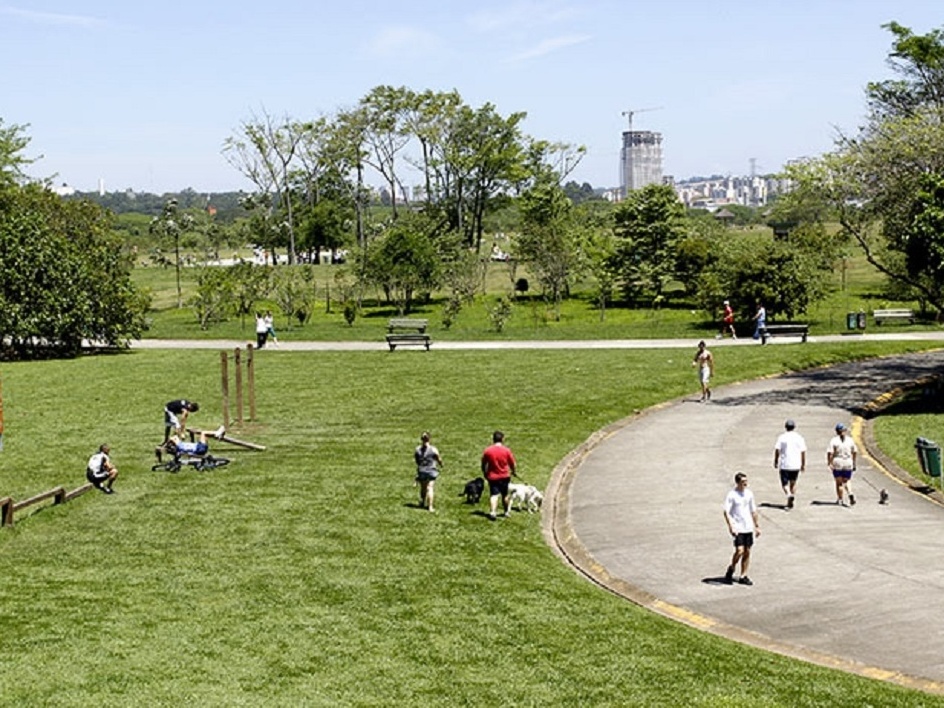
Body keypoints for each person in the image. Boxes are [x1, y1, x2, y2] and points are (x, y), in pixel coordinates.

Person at [722, 472, 760, 585]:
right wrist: (731, 527)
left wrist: (757, 526)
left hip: (748, 527)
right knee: (739, 550)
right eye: (743, 482)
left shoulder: (749, 494)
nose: (745, 484)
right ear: (737, 483)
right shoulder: (732, 495)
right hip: (738, 527)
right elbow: (726, 512)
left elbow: (753, 510)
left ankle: (743, 575)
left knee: (747, 551)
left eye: (746, 482)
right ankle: (732, 567)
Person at [481, 430, 517, 520]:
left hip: (493, 476)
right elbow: (512, 463)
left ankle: (493, 512)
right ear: (502, 439)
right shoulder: (506, 450)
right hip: (505, 476)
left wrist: (485, 472)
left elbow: (483, 463)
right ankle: (506, 512)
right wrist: (513, 471)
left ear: (493, 439)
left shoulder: (488, 451)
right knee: (505, 495)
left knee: (494, 495)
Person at [773, 419, 807, 509]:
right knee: (793, 482)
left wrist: (776, 460)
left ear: (786, 427)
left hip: (785, 464)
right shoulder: (799, 437)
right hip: (796, 464)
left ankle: (788, 494)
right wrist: (803, 464)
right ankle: (791, 499)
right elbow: (803, 452)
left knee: (784, 483)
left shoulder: (782, 437)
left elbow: (777, 450)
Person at [827, 422, 858, 506]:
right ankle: (850, 493)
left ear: (837, 431)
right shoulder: (850, 440)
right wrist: (854, 462)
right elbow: (854, 451)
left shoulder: (834, 440)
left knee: (839, 482)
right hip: (848, 461)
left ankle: (840, 499)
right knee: (847, 480)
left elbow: (830, 453)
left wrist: (829, 462)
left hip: (838, 462)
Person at [414, 431, 442, 513]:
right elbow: (438, 459)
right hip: (431, 471)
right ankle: (430, 506)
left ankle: (422, 502)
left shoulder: (417, 449)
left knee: (423, 488)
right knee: (430, 488)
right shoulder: (433, 449)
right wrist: (441, 464)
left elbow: (417, 460)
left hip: (422, 470)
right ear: (429, 439)